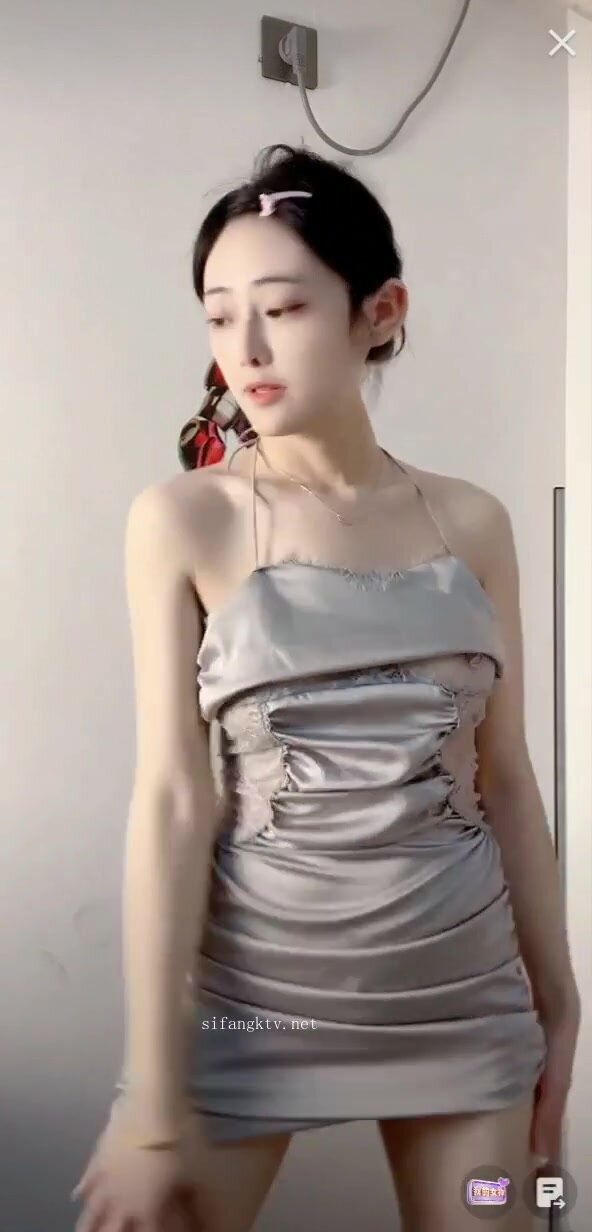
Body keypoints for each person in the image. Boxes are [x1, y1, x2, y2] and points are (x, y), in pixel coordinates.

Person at [72, 144, 580, 1232]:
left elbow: (507, 780)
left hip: (464, 1005)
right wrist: (149, 1100)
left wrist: (561, 997)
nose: (246, 349)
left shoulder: (474, 520)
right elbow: (172, 800)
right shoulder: (184, 519)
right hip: (251, 1009)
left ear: (378, 311)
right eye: (220, 317)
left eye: (284, 308)